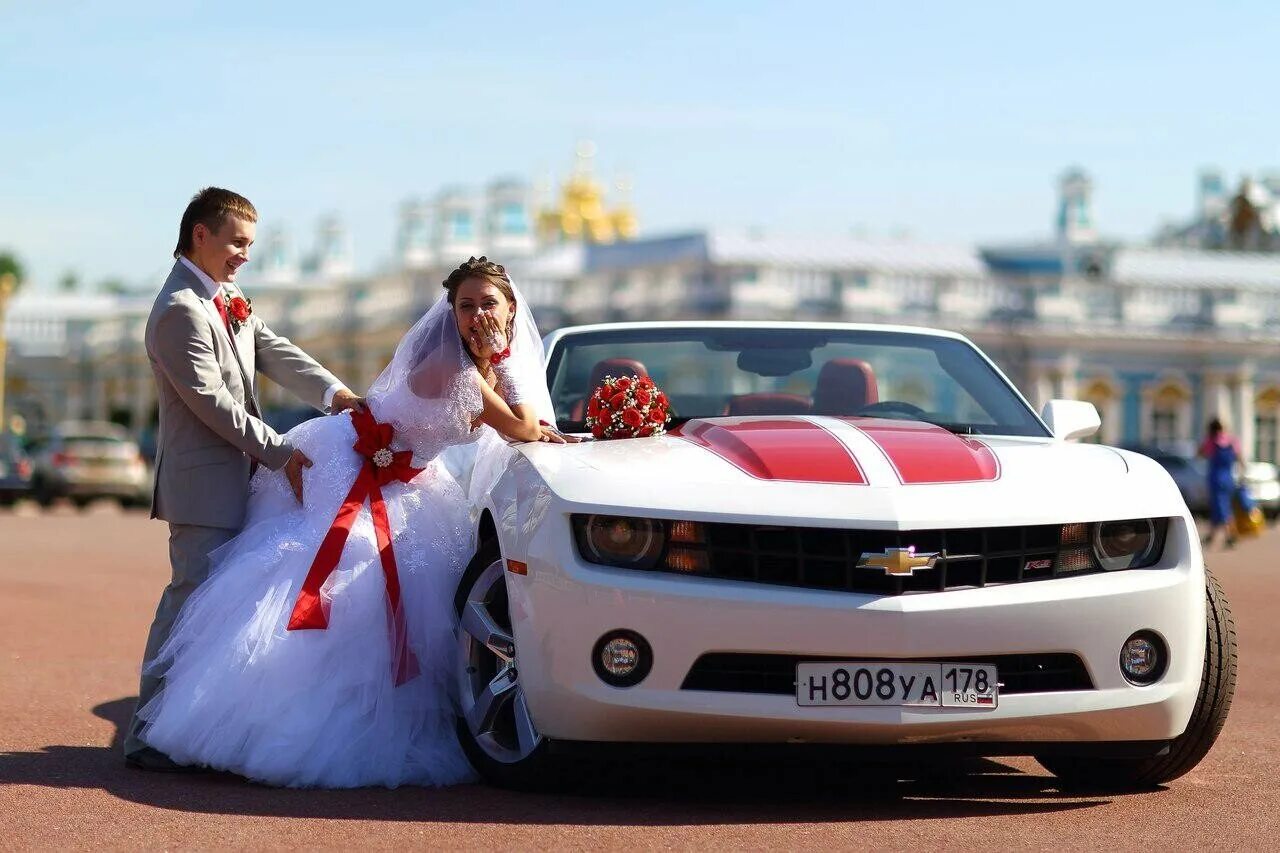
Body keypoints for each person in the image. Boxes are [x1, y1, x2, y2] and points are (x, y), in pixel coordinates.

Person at [135, 256, 564, 788]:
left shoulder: (473, 368)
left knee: (389, 589)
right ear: (449, 313)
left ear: (511, 306)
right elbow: (522, 428)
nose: (477, 315)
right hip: (353, 467)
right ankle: (272, 719)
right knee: (337, 582)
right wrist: (499, 356)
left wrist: (495, 360)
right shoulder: (456, 370)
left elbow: (514, 425)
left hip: (398, 472)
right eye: (466, 305)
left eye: (488, 304)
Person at [126, 188, 365, 770]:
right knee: (186, 607)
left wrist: (338, 397)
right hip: (205, 488)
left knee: (220, 612)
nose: (244, 255)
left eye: (250, 245)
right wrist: (281, 452)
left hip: (243, 481)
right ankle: (143, 733)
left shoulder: (224, 295)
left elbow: (273, 350)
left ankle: (196, 729)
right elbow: (209, 401)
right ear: (199, 236)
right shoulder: (179, 307)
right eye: (236, 242)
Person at [1198, 417, 1242, 550]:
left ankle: (1230, 535)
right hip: (1228, 478)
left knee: (1220, 507)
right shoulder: (1232, 441)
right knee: (1222, 506)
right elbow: (1240, 458)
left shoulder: (1211, 442)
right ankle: (1212, 536)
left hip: (1215, 478)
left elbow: (1199, 453)